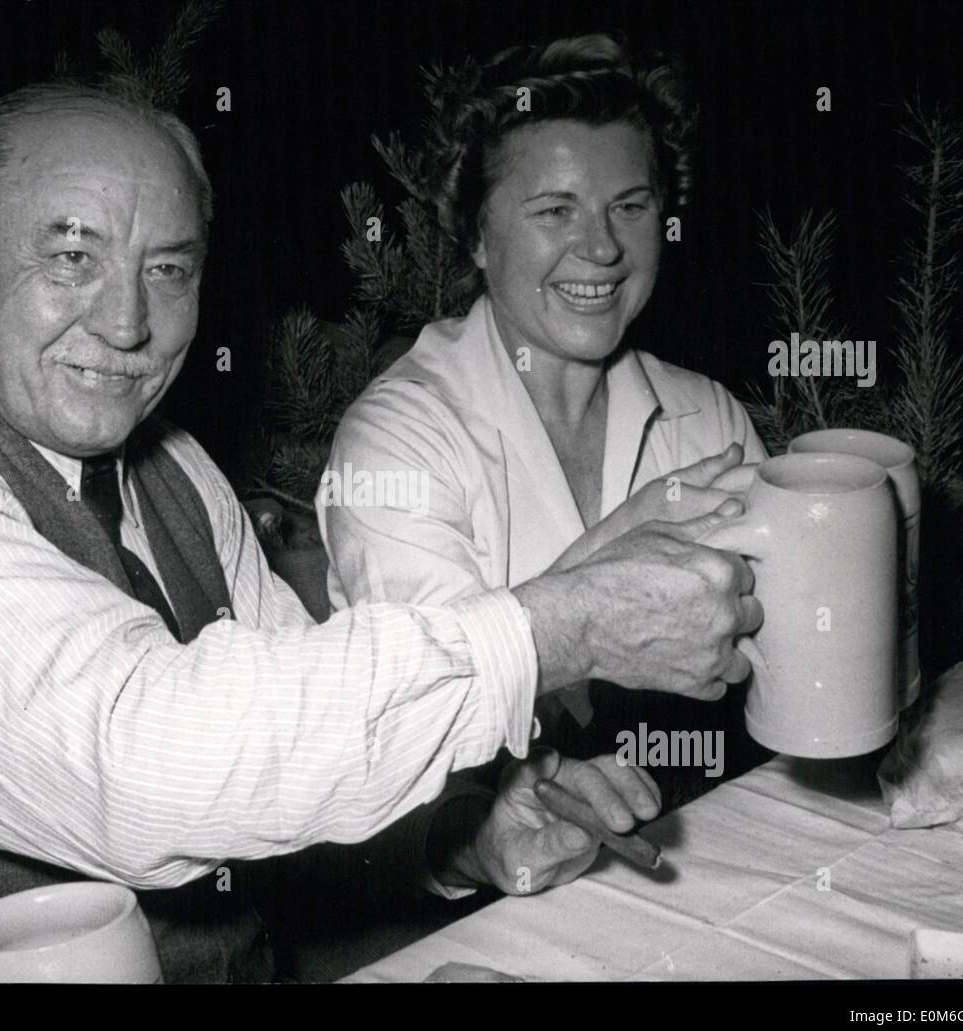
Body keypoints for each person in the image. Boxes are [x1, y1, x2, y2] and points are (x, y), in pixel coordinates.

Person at [0, 80, 759, 983]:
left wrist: (459, 836)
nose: (127, 322)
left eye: (169, 270)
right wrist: (553, 632)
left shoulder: (172, 471)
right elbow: (140, 766)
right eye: (73, 255)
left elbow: (284, 762)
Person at [320, 34, 769, 896]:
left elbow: (793, 675)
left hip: (713, 862)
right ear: (479, 237)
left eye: (630, 207)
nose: (600, 248)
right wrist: (606, 558)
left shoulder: (707, 414)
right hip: (501, 911)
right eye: (554, 210)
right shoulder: (399, 438)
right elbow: (423, 724)